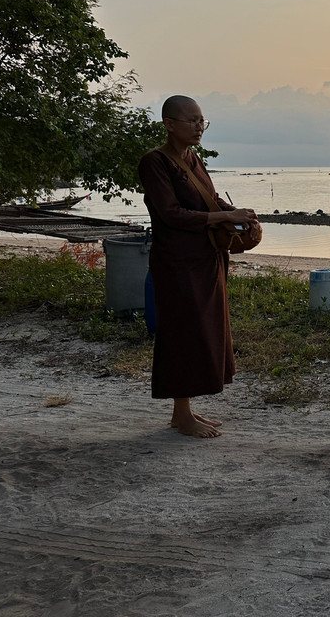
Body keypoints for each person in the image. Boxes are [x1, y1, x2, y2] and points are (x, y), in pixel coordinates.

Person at [137, 95, 257, 438]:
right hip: (176, 261)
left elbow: (210, 199)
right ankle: (182, 415)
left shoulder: (193, 159)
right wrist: (224, 216)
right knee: (180, 334)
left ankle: (183, 411)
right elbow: (170, 214)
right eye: (192, 121)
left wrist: (241, 216)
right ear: (169, 124)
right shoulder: (155, 162)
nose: (199, 127)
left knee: (204, 331)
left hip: (205, 258)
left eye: (203, 121)